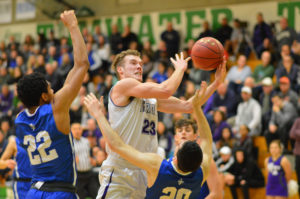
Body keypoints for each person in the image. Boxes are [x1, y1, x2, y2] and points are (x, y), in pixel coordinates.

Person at [97, 48, 226, 199]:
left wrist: (216, 83)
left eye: (140, 63)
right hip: (121, 170)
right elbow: (166, 89)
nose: (139, 66)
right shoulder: (122, 86)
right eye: (133, 63)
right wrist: (179, 69)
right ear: (120, 70)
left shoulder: (151, 98)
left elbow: (190, 106)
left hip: (146, 171)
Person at [83, 82, 213, 198]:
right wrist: (197, 108)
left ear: (175, 158)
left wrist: (99, 115)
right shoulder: (201, 174)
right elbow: (207, 139)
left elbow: (118, 146)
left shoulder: (158, 166)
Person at [15, 10, 89, 199]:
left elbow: (70, 80)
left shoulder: (19, 120)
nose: (53, 89)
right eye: (49, 88)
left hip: (33, 192)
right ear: (44, 97)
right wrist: (73, 26)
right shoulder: (56, 108)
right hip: (59, 192)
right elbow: (81, 64)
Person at [173, 118, 222, 199]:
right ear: (175, 137)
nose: (183, 132)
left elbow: (217, 194)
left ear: (195, 136)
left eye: (188, 130)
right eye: (180, 130)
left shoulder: (205, 161)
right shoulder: (169, 161)